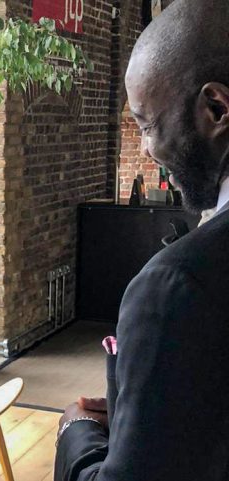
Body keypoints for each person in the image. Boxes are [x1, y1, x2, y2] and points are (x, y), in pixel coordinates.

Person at [54, 1, 229, 479]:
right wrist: (144, 421)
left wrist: (77, 433)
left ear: (216, 108)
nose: (150, 149)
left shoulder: (177, 285)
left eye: (149, 124)